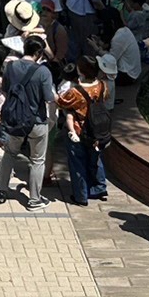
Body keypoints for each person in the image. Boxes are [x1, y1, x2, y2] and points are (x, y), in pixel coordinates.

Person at [0, 33, 55, 211]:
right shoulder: (43, 72)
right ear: (39, 53)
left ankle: (0, 191)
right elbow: (49, 98)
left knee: (10, 154)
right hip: (37, 122)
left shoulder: (10, 67)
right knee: (37, 160)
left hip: (14, 120)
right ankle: (34, 199)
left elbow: (4, 89)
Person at [56, 55, 109, 206]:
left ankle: (81, 196)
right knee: (96, 159)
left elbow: (61, 102)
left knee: (77, 163)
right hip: (98, 130)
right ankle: (100, 188)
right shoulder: (103, 86)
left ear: (82, 71)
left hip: (79, 130)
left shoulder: (75, 92)